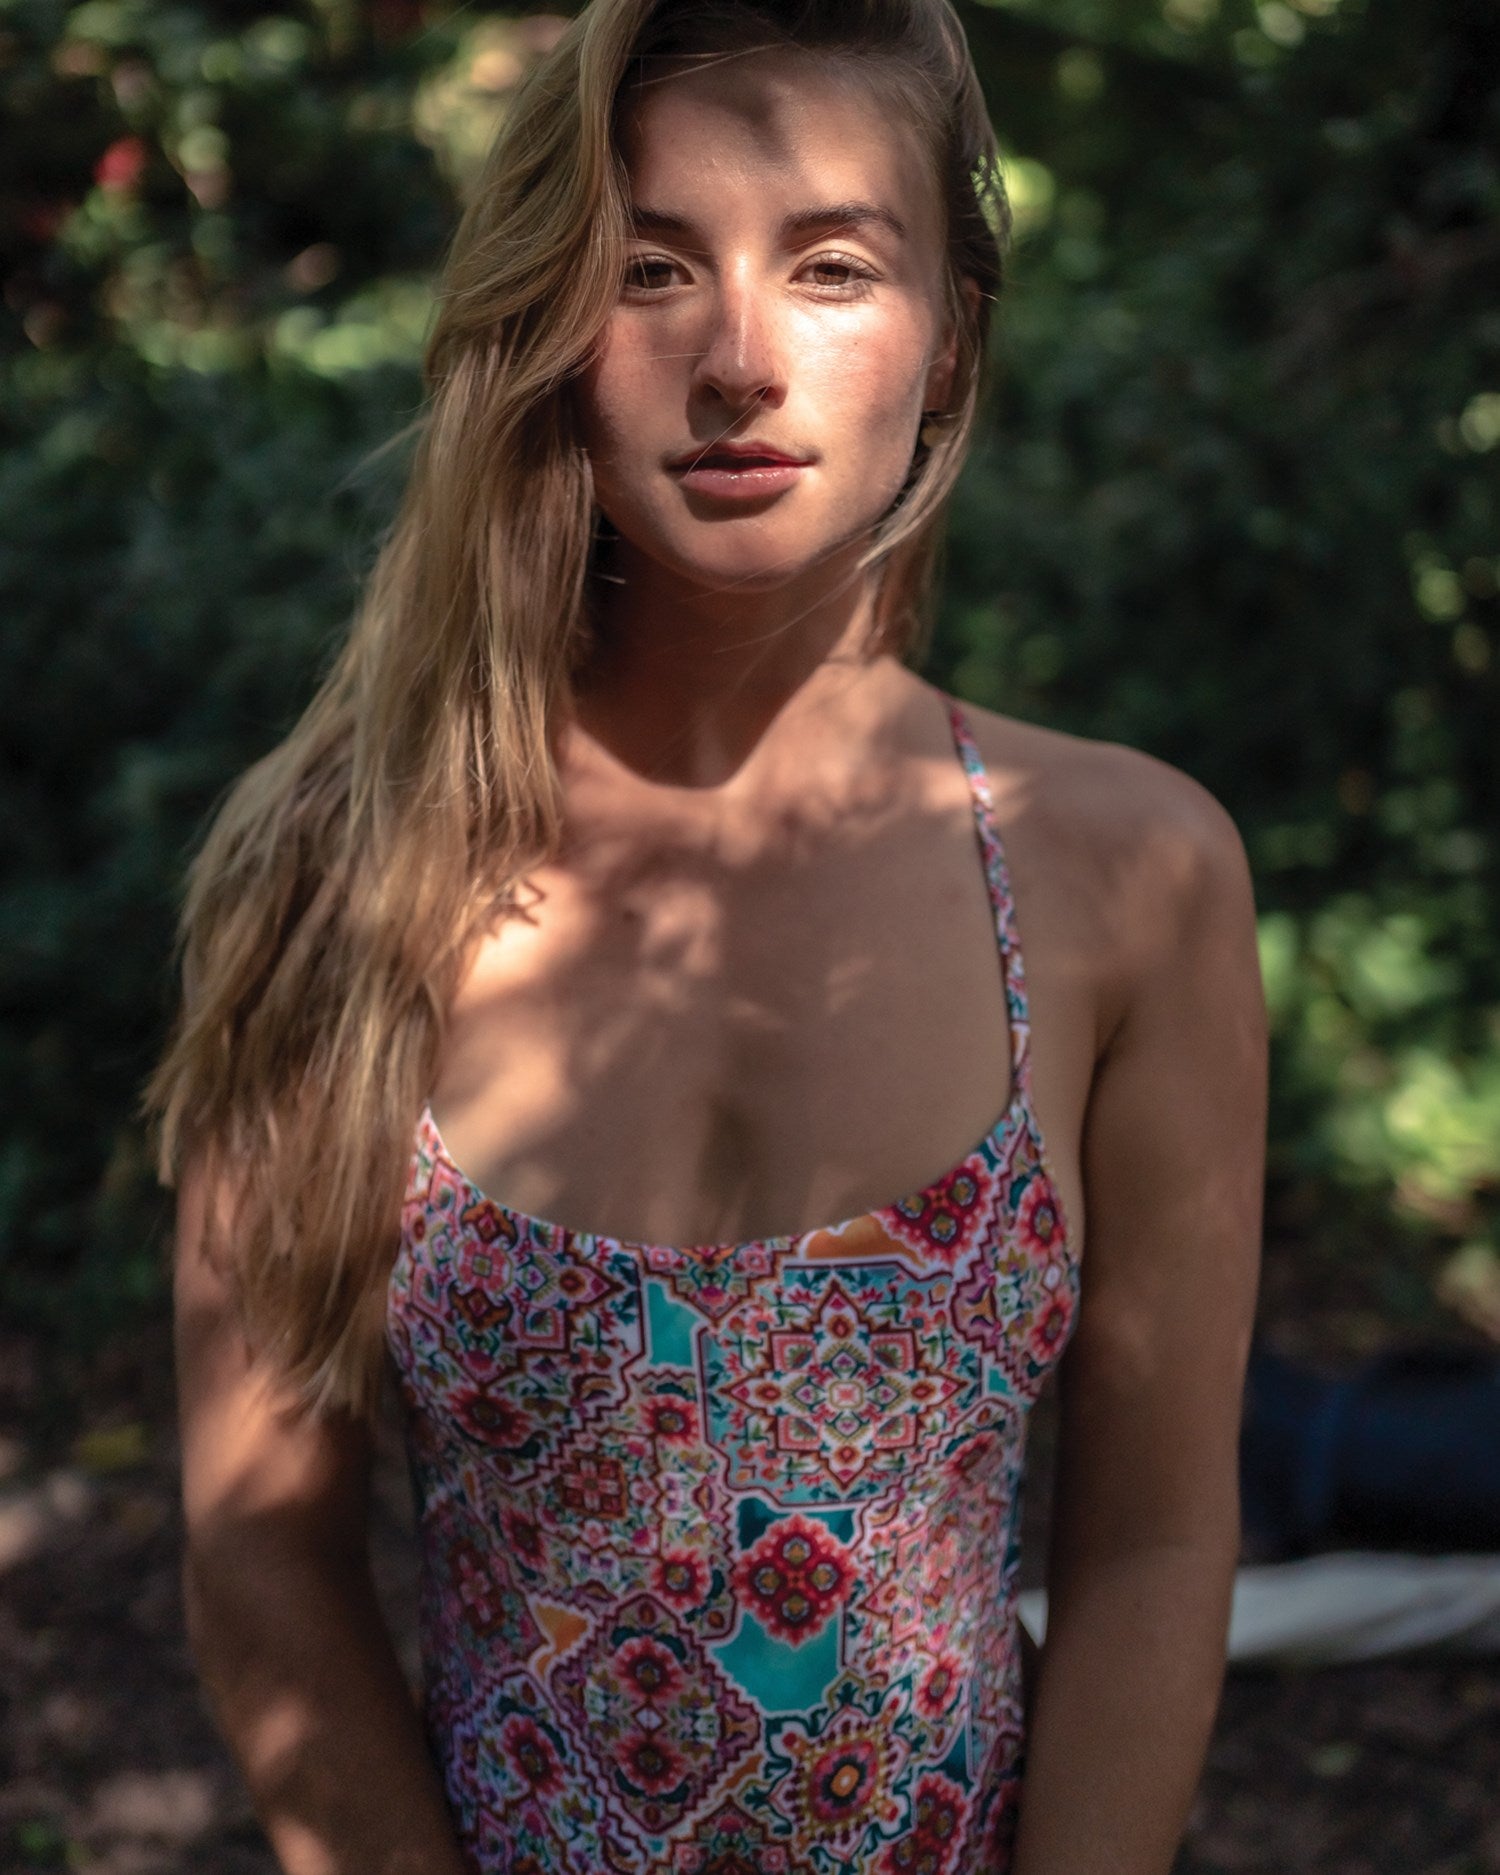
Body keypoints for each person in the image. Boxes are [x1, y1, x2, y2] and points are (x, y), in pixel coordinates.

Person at [144, 1, 1268, 1871]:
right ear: (546, 324)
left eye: (834, 268)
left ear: (949, 336)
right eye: (651, 268)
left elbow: (1153, 1540)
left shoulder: (1128, 876)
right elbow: (263, 1558)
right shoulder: (345, 876)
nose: (741, 360)